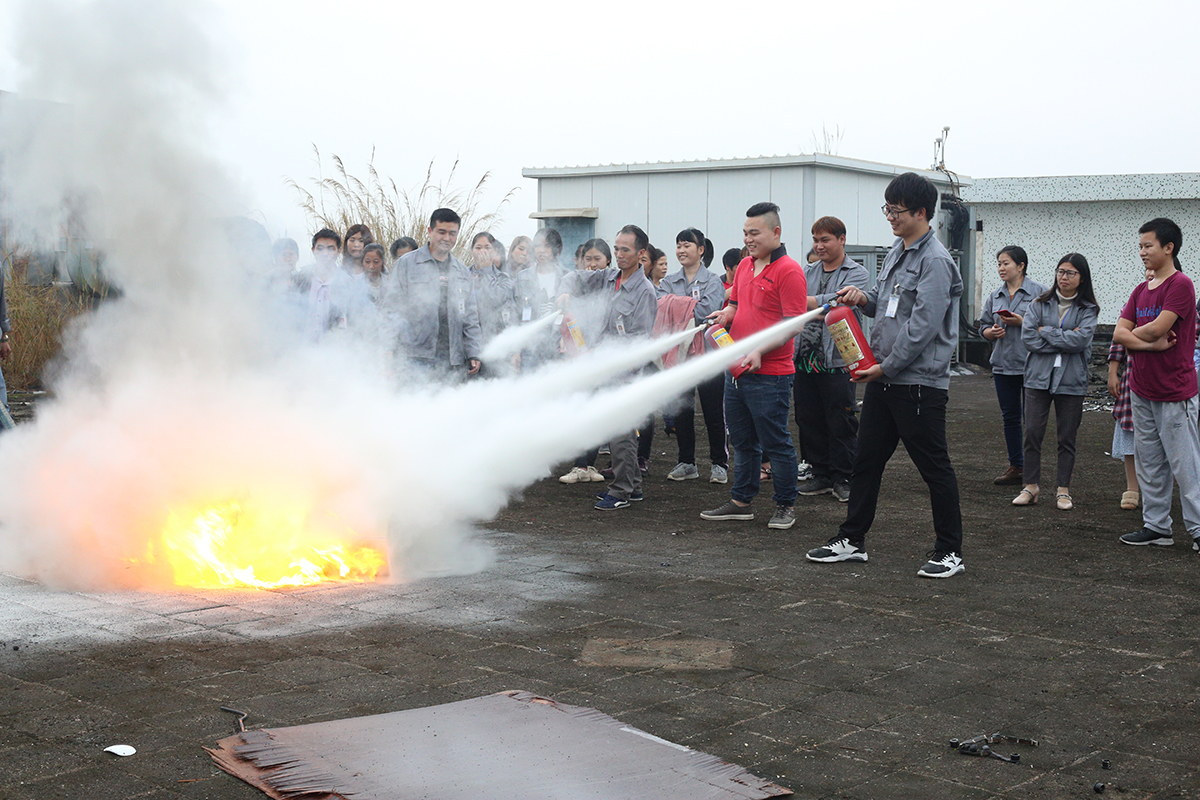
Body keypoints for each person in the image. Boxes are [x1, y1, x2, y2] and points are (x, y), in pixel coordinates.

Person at [805, 172, 966, 578]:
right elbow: (888, 303)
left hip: (916, 382)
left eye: (897, 211)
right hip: (884, 377)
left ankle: (949, 551)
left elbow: (923, 325)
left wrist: (886, 366)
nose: (890, 217)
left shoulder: (936, 261)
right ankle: (852, 539)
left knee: (934, 467)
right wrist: (863, 298)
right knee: (866, 461)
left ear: (921, 213)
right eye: (888, 209)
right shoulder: (899, 249)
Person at [700, 202, 806, 530]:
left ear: (776, 232)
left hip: (770, 375)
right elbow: (735, 304)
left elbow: (794, 325)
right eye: (745, 233)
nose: (748, 239)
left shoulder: (789, 270)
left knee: (775, 443)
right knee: (743, 442)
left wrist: (759, 350)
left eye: (754, 233)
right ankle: (741, 501)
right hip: (737, 371)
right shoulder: (745, 266)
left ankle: (785, 505)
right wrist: (725, 315)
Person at [1114, 218, 1200, 549]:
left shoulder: (1181, 284)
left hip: (1174, 390)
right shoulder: (1140, 290)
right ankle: (1157, 526)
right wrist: (1148, 343)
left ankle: (1196, 528)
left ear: (1169, 248)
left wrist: (1136, 336)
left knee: (1186, 463)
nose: (1143, 252)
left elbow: (1152, 328)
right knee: (1149, 461)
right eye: (1140, 246)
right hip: (1141, 388)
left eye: (1148, 246)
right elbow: (1126, 334)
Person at [558, 225, 657, 510]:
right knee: (619, 429)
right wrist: (565, 292)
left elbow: (639, 342)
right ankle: (633, 487)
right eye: (616, 249)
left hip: (622, 372)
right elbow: (575, 277)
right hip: (602, 366)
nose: (619, 254)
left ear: (641, 254)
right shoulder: (607, 277)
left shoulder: (645, 292)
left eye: (625, 250)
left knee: (621, 431)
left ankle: (622, 491)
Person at [1011, 253, 1099, 511]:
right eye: (1061, 271)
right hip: (1037, 378)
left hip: (1071, 380)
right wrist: (1063, 338)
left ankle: (1063, 490)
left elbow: (1081, 341)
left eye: (1071, 273)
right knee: (1032, 433)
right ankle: (1030, 486)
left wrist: (1045, 332)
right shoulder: (1039, 303)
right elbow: (1028, 339)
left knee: (1067, 437)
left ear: (1082, 277)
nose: (1064, 277)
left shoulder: (1089, 309)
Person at [793, 216, 871, 504]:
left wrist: (811, 302)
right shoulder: (807, 270)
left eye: (825, 239)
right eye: (816, 240)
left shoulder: (857, 273)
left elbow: (838, 304)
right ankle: (820, 473)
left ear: (842, 239)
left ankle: (844, 476)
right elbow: (797, 301)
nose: (819, 245)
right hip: (804, 357)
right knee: (808, 417)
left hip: (837, 357)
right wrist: (817, 302)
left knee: (841, 418)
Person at [660, 228, 729, 484]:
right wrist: (687, 307)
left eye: (687, 245)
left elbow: (708, 312)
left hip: (708, 356)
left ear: (701, 250)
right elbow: (661, 310)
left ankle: (719, 463)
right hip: (681, 356)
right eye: (678, 245)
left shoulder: (712, 281)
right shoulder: (669, 281)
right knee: (682, 411)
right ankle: (686, 462)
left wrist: (677, 306)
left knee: (713, 412)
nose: (681, 250)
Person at [383, 208, 481, 380]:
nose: (447, 238)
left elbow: (470, 318)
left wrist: (474, 353)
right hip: (415, 358)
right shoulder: (407, 264)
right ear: (430, 231)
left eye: (452, 233)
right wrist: (388, 350)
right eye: (441, 232)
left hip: (453, 360)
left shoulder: (462, 272)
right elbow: (391, 310)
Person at [979, 246, 1048, 486]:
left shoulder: (1039, 293)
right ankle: (1016, 465)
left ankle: (1032, 468)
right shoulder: (995, 295)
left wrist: (1022, 322)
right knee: (1010, 417)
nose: (1001, 268)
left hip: (1032, 364)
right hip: (1003, 364)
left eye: (1006, 263)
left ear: (1021, 266)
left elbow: (1049, 326)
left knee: (1033, 419)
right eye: (998, 263)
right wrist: (991, 332)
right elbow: (983, 327)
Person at [559, 238, 617, 485]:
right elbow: (569, 279)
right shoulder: (577, 281)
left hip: (604, 357)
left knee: (597, 410)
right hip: (579, 357)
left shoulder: (613, 282)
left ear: (608, 262)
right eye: (588, 259)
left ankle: (586, 464)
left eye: (597, 259)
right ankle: (583, 464)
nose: (592, 265)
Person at [514, 228, 566, 372]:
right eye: (537, 246)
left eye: (547, 246)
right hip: (529, 350)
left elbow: (572, 315)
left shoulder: (567, 278)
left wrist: (566, 339)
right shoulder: (522, 277)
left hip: (557, 349)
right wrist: (515, 351)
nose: (541, 250)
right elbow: (515, 316)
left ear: (557, 250)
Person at [469, 232, 518, 377]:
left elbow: (496, 299)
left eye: (487, 248)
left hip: (495, 348)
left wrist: (486, 271)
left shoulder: (504, 279)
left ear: (495, 251)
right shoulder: (463, 276)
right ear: (472, 251)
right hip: (469, 349)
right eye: (478, 248)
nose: (482, 252)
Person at [302, 228, 353, 341]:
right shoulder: (301, 279)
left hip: (333, 350)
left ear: (338, 251)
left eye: (331, 249)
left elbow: (353, 319)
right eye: (320, 248)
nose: (325, 254)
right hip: (302, 348)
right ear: (313, 250)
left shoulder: (347, 283)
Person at [1107, 341, 1139, 510]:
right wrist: (1112, 372)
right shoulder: (1130, 313)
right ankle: (1132, 487)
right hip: (1133, 371)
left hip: (1167, 371)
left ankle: (1156, 491)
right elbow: (1119, 339)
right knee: (1129, 431)